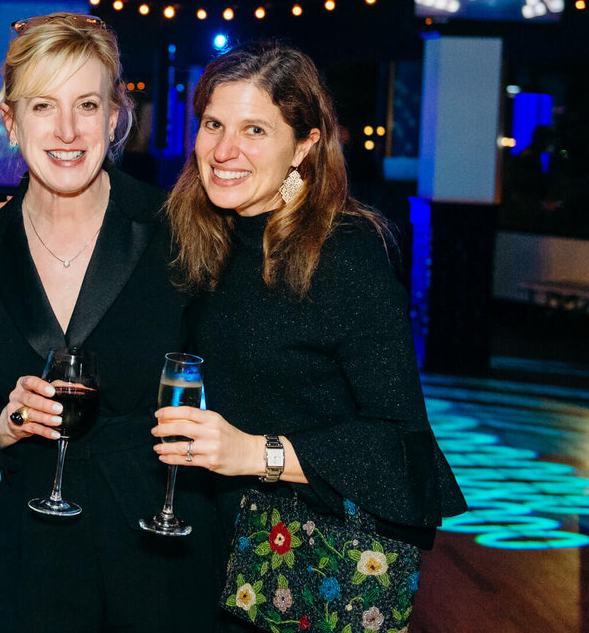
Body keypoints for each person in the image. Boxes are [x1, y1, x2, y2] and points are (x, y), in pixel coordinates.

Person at [154, 42, 467, 628]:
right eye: (213, 124)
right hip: (203, 552)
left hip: (304, 570)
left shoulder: (343, 254)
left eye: (254, 130)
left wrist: (256, 452)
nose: (224, 150)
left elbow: (400, 445)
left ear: (305, 145)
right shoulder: (195, 234)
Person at [0, 13, 220, 632]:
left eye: (87, 104)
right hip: (32, 561)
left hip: (159, 552)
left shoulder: (177, 234)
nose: (67, 131)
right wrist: (9, 424)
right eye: (43, 106)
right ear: (11, 122)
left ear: (115, 116)